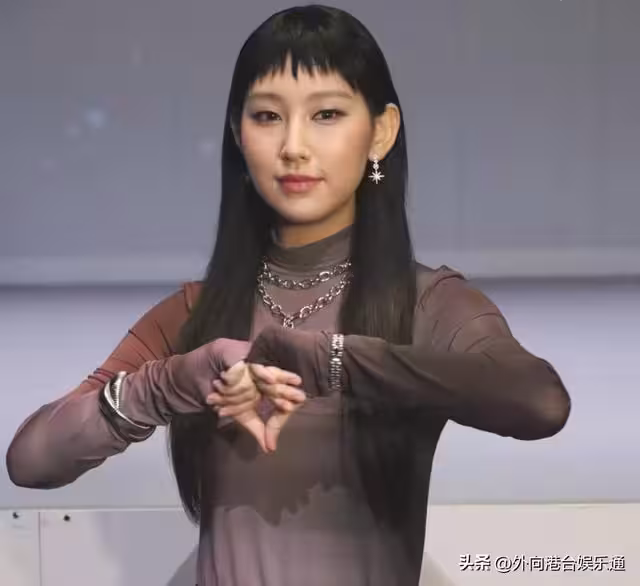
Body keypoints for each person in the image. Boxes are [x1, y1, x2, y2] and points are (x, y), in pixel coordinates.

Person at [6, 5, 571, 585]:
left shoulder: (429, 302)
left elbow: (540, 403)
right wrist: (166, 385)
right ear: (238, 133)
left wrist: (335, 360)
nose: (294, 146)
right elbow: (30, 461)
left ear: (381, 132)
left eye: (326, 114)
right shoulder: (193, 311)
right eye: (268, 116)